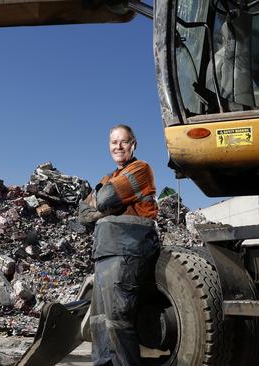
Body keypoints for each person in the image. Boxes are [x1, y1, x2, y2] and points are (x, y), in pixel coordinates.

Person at [79, 124, 159, 366]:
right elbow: (83, 214)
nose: (118, 146)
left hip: (129, 248)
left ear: (133, 143)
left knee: (117, 319)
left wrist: (104, 205)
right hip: (105, 252)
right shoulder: (109, 177)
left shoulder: (140, 169)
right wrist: (103, 205)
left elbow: (105, 198)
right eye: (114, 142)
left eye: (123, 141)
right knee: (99, 321)